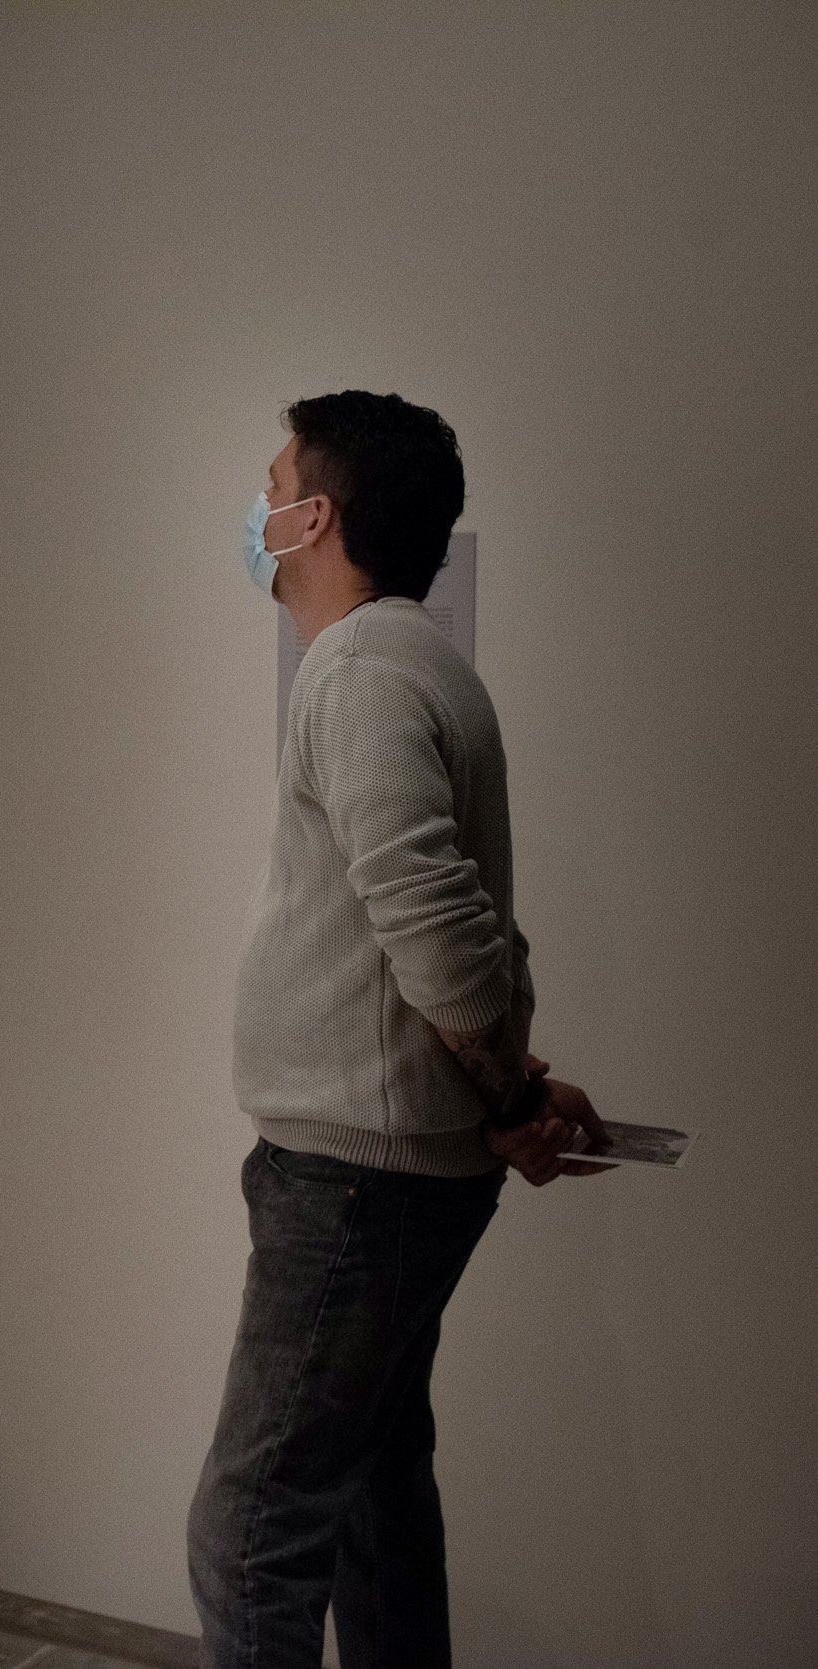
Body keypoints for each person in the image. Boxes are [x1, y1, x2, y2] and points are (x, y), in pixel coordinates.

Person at [187, 392, 610, 1669]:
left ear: (312, 514)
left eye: (270, 487)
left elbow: (430, 917)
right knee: (374, 1498)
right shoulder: (410, 663)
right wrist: (510, 1079)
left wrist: (502, 1086)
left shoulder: (363, 669)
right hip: (382, 1162)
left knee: (250, 1530)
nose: (253, 514)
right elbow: (444, 921)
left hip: (354, 1177)